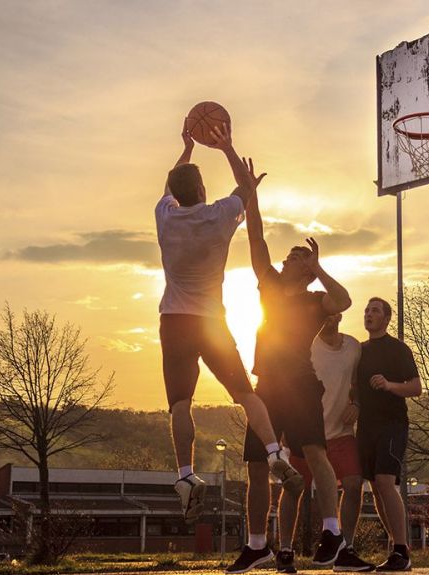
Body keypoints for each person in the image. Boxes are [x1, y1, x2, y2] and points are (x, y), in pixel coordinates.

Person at [156, 121, 297, 535]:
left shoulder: (165, 217)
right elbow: (246, 190)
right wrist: (228, 148)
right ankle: (274, 453)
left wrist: (186, 149)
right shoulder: (220, 214)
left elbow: (170, 186)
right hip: (212, 322)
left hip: (175, 322)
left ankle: (185, 475)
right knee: (245, 394)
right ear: (202, 191)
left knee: (180, 403)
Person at [226, 159, 353, 574]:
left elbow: (345, 300)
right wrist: (251, 192)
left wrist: (318, 266)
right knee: (257, 466)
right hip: (267, 387)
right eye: (293, 253)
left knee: (315, 452)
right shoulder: (269, 285)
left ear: (308, 270)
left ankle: (332, 532)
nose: (291, 255)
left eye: (299, 255)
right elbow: (257, 234)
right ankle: (257, 544)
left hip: (300, 384)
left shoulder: (315, 300)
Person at [274, 313, 375, 573]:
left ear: (340, 314)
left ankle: (345, 550)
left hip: (341, 432)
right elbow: (286, 384)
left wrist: (356, 403)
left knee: (354, 485)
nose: (327, 318)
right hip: (307, 431)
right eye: (323, 313)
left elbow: (358, 383)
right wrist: (285, 425)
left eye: (332, 313)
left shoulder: (353, 346)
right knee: (295, 488)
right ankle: (285, 551)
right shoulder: (305, 344)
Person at [354, 297, 422, 572]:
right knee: (375, 487)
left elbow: (416, 387)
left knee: (385, 481)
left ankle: (402, 550)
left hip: (392, 424)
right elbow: (352, 388)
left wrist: (389, 384)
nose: (369, 314)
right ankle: (397, 548)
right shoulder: (358, 351)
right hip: (365, 427)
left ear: (386, 318)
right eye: (367, 310)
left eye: (375, 310)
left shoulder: (398, 349)